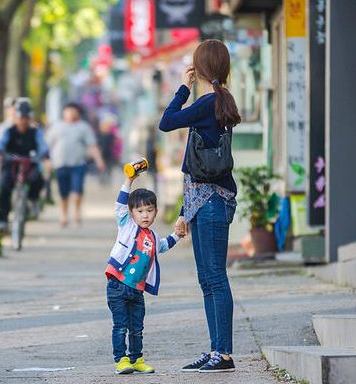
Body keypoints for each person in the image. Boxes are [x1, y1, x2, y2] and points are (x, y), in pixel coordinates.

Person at [158, 39, 241, 373]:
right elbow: (196, 165)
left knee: (214, 278)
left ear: (201, 69)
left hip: (210, 204)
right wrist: (182, 213)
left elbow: (166, 122)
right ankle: (215, 350)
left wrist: (182, 87)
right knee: (208, 279)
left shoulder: (209, 103)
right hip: (207, 204)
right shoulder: (219, 102)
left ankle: (223, 353)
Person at [104, 173, 184, 375]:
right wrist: (128, 180)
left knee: (137, 328)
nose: (145, 215)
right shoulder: (126, 226)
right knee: (121, 325)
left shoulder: (154, 236)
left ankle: (137, 358)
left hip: (137, 291)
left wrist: (177, 235)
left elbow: (164, 246)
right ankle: (121, 360)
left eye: (149, 210)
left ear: (156, 212)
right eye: (140, 211)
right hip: (118, 286)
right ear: (131, 213)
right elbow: (120, 204)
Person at [0, 98, 50, 231]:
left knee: (38, 179)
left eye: (26, 118)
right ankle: (2, 220)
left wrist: (47, 160)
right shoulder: (8, 131)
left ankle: (33, 200)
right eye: (21, 117)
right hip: (11, 163)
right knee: (4, 188)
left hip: (30, 162)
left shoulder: (36, 132)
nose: (23, 121)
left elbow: (43, 148)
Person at [45, 102, 105, 227]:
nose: (71, 113)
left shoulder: (83, 127)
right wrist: (47, 160)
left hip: (78, 164)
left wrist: (99, 159)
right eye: (68, 110)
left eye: (73, 111)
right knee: (63, 192)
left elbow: (92, 145)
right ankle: (64, 214)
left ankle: (77, 211)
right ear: (64, 112)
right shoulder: (56, 127)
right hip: (60, 164)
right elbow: (47, 146)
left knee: (77, 190)